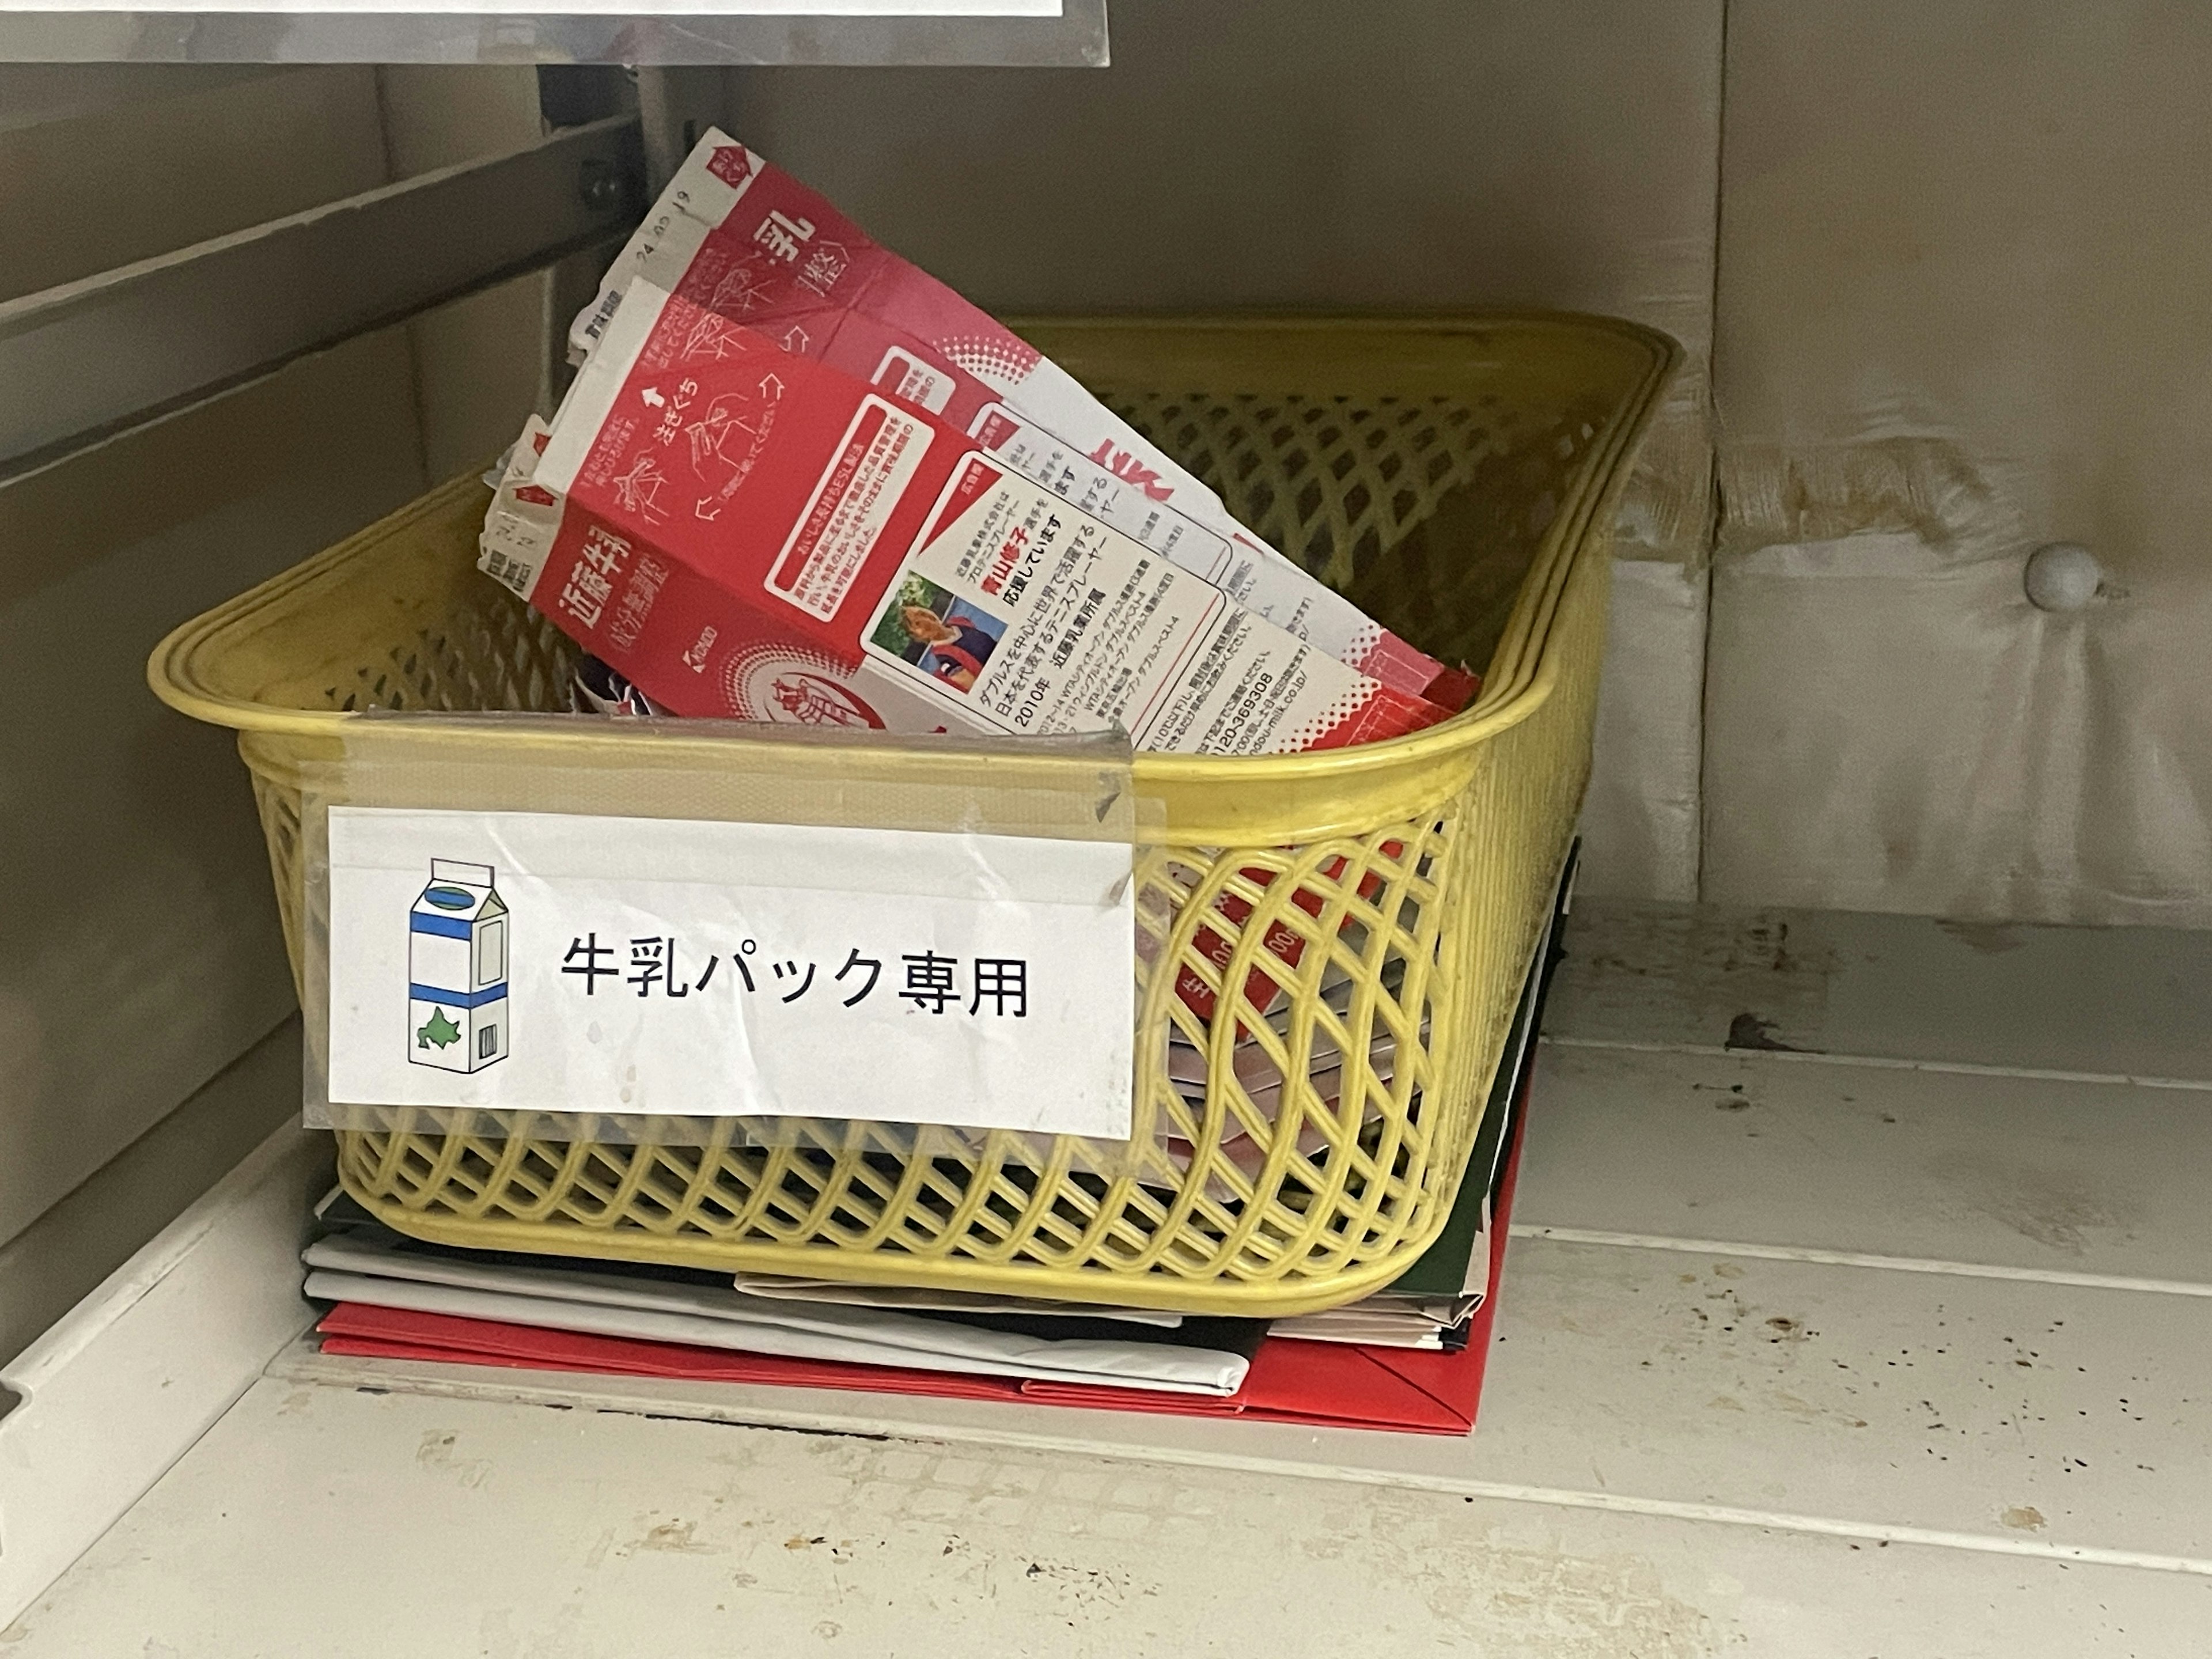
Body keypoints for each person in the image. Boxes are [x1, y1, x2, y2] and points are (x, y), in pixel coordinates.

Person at [900, 603, 997, 692]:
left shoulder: (960, 622)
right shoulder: (947, 661)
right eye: (918, 623)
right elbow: (978, 688)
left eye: (923, 614)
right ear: (918, 636)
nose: (927, 620)